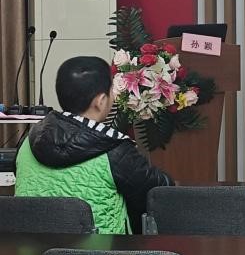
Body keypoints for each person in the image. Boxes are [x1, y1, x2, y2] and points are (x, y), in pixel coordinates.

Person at [14, 56, 173, 234]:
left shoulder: (27, 142)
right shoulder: (115, 151)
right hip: (100, 251)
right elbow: (160, 192)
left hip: (30, 249)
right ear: (100, 101)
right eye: (111, 90)